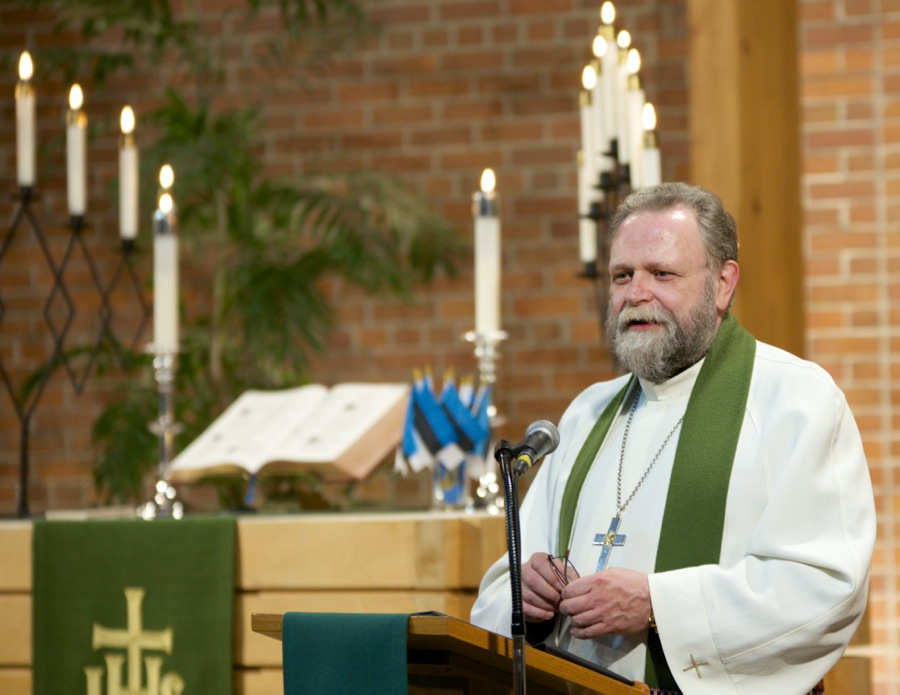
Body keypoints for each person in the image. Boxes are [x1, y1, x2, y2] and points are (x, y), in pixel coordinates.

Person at [470, 182, 875, 695]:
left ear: (723, 284)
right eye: (622, 276)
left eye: (662, 274)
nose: (636, 294)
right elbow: (503, 582)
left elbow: (826, 588)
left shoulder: (796, 401)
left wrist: (659, 605)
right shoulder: (588, 412)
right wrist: (524, 591)